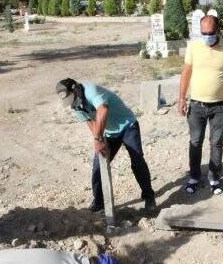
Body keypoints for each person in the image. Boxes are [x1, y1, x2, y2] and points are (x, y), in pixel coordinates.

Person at [56, 78, 155, 212]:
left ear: (74, 90)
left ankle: (149, 196)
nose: (70, 102)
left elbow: (103, 110)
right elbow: (90, 120)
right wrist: (99, 139)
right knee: (98, 166)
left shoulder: (91, 90)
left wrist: (97, 139)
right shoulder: (76, 104)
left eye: (70, 97)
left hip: (127, 125)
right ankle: (99, 201)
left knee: (137, 160)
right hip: (108, 133)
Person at [178, 15, 223, 195]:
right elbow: (186, 73)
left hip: (219, 106)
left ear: (218, 30)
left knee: (216, 142)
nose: (207, 36)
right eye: (203, 33)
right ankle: (194, 176)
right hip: (197, 104)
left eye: (211, 33)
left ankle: (214, 177)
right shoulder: (194, 46)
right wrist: (182, 98)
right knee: (195, 141)